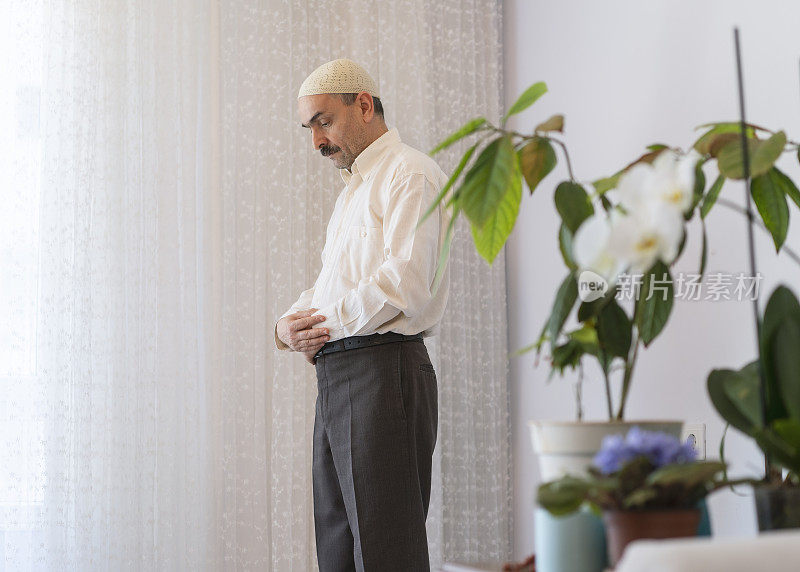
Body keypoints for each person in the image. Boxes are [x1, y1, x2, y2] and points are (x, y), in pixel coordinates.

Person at [274, 58, 450, 571]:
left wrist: (321, 326)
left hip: (383, 371)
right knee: (338, 550)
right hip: (340, 373)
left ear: (365, 106)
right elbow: (334, 285)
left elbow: (406, 283)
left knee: (385, 549)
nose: (317, 143)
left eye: (323, 122)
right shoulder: (353, 192)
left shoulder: (410, 173)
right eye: (310, 129)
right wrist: (288, 328)